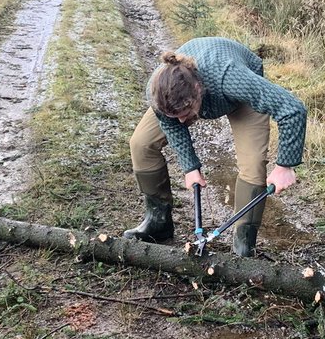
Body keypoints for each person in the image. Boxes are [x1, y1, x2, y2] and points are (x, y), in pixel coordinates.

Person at [123, 37, 307, 257]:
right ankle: (158, 222)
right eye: (176, 116)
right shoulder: (157, 91)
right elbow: (172, 124)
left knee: (253, 164)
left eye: (185, 114)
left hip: (239, 91)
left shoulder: (232, 78)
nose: (182, 121)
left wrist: (285, 165)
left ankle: (243, 244)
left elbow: (292, 109)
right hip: (196, 90)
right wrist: (190, 167)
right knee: (141, 143)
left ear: (199, 90)